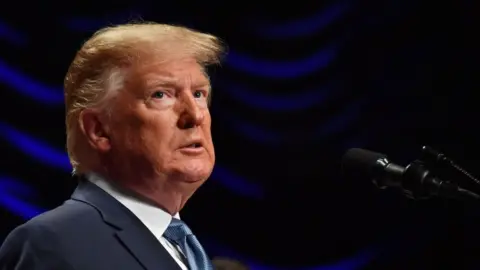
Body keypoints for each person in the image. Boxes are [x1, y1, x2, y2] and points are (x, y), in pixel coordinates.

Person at [0, 22, 224, 270]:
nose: (195, 115)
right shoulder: (54, 243)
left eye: (199, 94)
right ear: (99, 130)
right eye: (161, 94)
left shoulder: (183, 248)